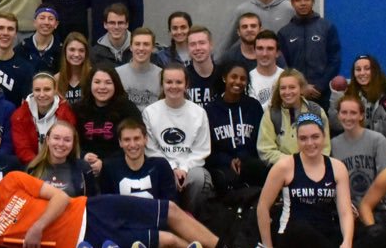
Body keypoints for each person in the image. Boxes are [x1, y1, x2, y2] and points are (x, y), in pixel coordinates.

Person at [0, 168, 218, 248]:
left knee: (169, 210)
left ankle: (222, 247)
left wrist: (37, 227)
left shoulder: (12, 180)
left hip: (91, 208)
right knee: (166, 241)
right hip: (83, 241)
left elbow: (60, 198)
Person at [257, 113, 354, 248]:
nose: (310, 143)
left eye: (315, 137)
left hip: (325, 235)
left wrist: (347, 242)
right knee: (301, 229)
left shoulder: (337, 168)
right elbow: (262, 207)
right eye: (303, 138)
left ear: (324, 137)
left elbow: (345, 212)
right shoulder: (284, 166)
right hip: (292, 236)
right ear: (296, 140)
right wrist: (268, 246)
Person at [143, 64, 214, 215]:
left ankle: (191, 220)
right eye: (169, 82)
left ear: (186, 84)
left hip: (191, 168)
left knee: (201, 178)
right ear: (162, 84)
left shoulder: (199, 113)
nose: (173, 86)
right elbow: (151, 149)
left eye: (178, 82)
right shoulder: (150, 112)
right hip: (161, 166)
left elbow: (201, 150)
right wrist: (172, 168)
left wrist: (184, 168)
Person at [204, 62, 266, 195]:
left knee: (258, 170)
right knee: (226, 179)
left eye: (243, 79)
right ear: (225, 78)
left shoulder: (254, 107)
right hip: (221, 166)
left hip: (249, 162)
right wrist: (228, 160)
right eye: (234, 77)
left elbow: (261, 141)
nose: (238, 81)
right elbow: (207, 148)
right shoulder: (210, 109)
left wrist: (243, 159)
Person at [278, 0, 342, 109]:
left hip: (322, 95)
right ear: (292, 2)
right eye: (298, 0)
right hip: (295, 95)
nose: (302, 3)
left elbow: (335, 60)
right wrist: (301, 87)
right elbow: (283, 65)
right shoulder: (284, 33)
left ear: (313, 1)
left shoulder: (327, 27)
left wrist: (320, 86)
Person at [330, 95, 386, 220]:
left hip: (378, 210)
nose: (348, 117)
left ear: (361, 115)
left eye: (353, 113)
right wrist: (345, 206)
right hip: (348, 211)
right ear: (338, 115)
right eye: (344, 112)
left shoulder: (378, 140)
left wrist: (367, 208)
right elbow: (334, 183)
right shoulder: (333, 145)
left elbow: (385, 180)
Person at [72, 67, 141, 175]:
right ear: (90, 84)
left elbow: (135, 143)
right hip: (84, 167)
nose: (102, 87)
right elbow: (70, 140)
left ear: (116, 85)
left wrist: (105, 163)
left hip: (120, 166)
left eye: (108, 83)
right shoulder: (77, 109)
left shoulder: (128, 109)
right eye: (97, 82)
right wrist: (83, 155)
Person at [257, 69, 331, 166]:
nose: (287, 92)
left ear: (301, 89)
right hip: (282, 170)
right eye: (283, 88)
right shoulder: (271, 114)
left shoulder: (316, 111)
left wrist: (310, 164)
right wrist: (294, 163)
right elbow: (265, 150)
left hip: (314, 168)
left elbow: (325, 147)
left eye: (292, 87)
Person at [328, 55, 386, 148]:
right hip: (358, 152)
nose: (362, 73)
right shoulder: (349, 95)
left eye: (367, 68)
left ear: (375, 71)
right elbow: (336, 125)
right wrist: (336, 96)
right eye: (358, 69)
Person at [99, 119, 178, 201]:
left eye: (136, 138)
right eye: (127, 140)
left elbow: (170, 205)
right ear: (120, 142)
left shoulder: (160, 166)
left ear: (145, 139)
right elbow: (106, 206)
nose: (132, 145)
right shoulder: (110, 168)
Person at [11, 72, 77, 165]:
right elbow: (22, 149)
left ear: (55, 90)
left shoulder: (66, 113)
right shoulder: (19, 115)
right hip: (31, 165)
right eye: (37, 90)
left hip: (61, 163)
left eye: (47, 89)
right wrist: (40, 166)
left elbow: (68, 144)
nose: (42, 94)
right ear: (32, 91)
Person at [27, 121, 98, 197]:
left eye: (67, 140)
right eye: (56, 138)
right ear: (47, 140)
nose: (61, 144)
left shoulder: (83, 169)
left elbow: (93, 202)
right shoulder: (32, 168)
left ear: (73, 143)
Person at [217, 13, 287, 71]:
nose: (249, 29)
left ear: (260, 29)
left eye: (253, 26)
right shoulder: (229, 57)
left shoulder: (274, 55)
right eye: (245, 27)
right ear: (238, 32)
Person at [116, 27, 162, 110]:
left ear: (153, 48)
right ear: (130, 47)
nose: (141, 48)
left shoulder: (161, 75)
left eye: (146, 44)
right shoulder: (117, 74)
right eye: (137, 44)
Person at [16, 5, 63, 74]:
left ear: (56, 24)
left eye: (50, 19)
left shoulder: (61, 50)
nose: (46, 22)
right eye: (42, 18)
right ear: (34, 22)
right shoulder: (22, 48)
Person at [247, 30, 284, 109]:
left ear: (277, 53)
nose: (264, 54)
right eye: (260, 48)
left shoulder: (286, 77)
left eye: (270, 49)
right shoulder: (247, 79)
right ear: (254, 51)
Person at [90, 3, 134, 69]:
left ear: (127, 24)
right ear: (105, 25)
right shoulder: (95, 54)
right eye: (112, 23)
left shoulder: (139, 48)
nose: (116, 27)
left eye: (120, 23)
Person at [55, 32, 91, 105]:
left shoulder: (93, 75)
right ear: (65, 51)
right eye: (72, 50)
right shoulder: (56, 80)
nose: (77, 54)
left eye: (81, 50)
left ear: (86, 53)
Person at [185, 25, 217, 108]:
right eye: (192, 44)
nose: (197, 48)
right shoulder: (182, 77)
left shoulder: (223, 75)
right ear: (188, 48)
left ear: (211, 45)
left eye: (202, 43)